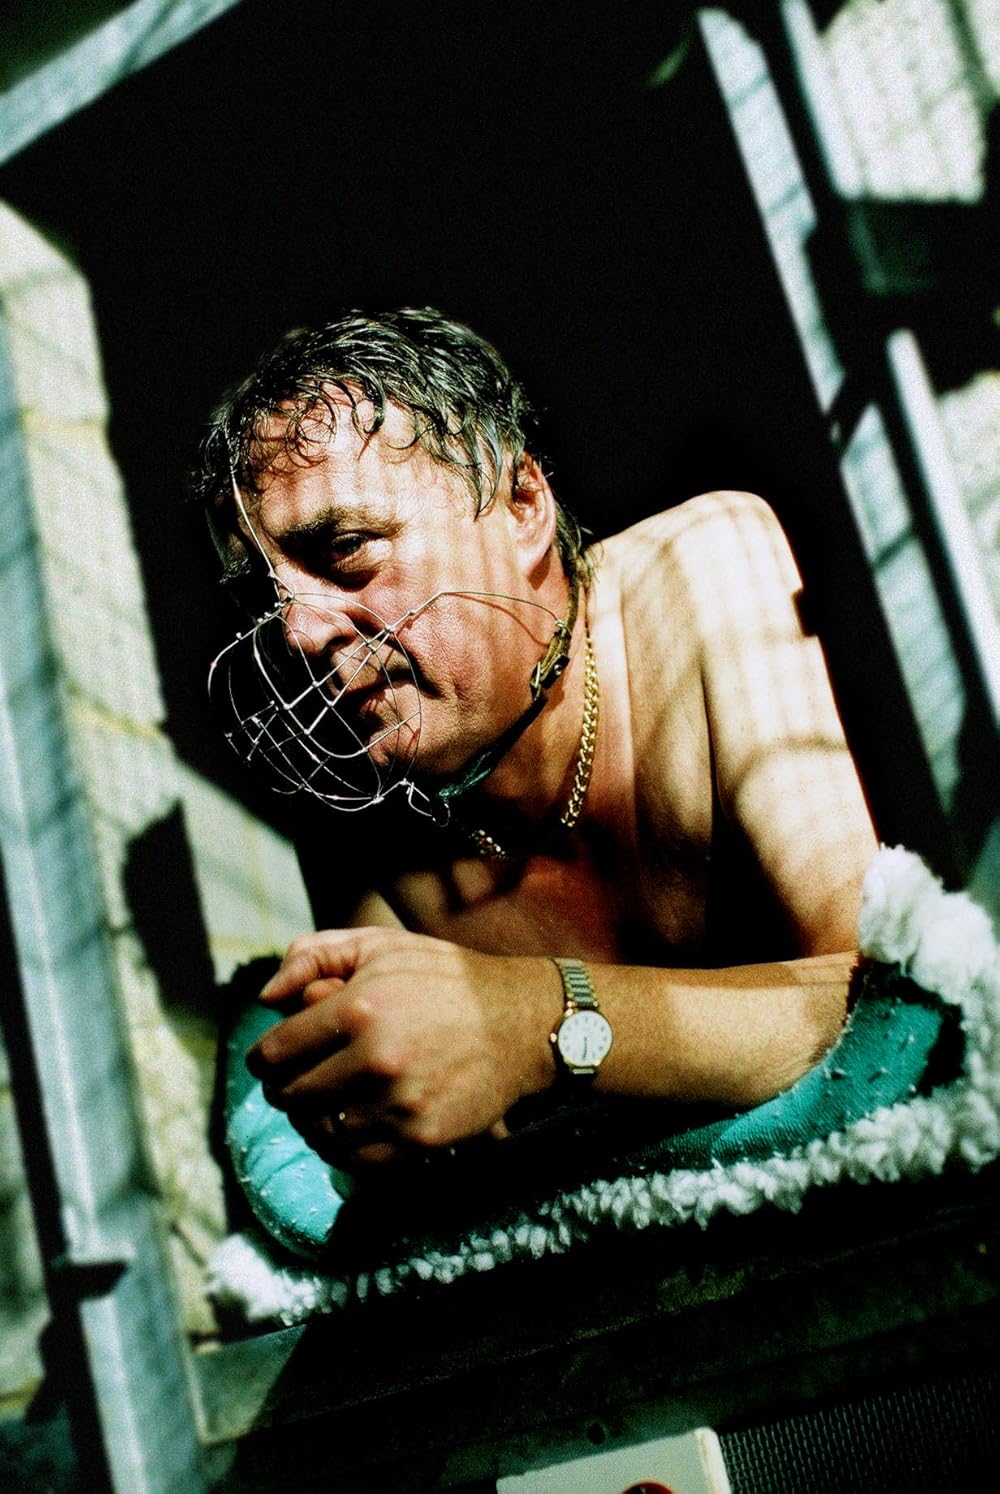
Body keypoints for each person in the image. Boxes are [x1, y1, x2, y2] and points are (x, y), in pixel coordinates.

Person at [193, 307, 877, 1171]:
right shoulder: (349, 801)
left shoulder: (698, 571)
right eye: (265, 596)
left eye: (348, 547)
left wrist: (533, 1022)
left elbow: (885, 1002)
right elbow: (428, 1153)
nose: (295, 633)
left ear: (521, 506)